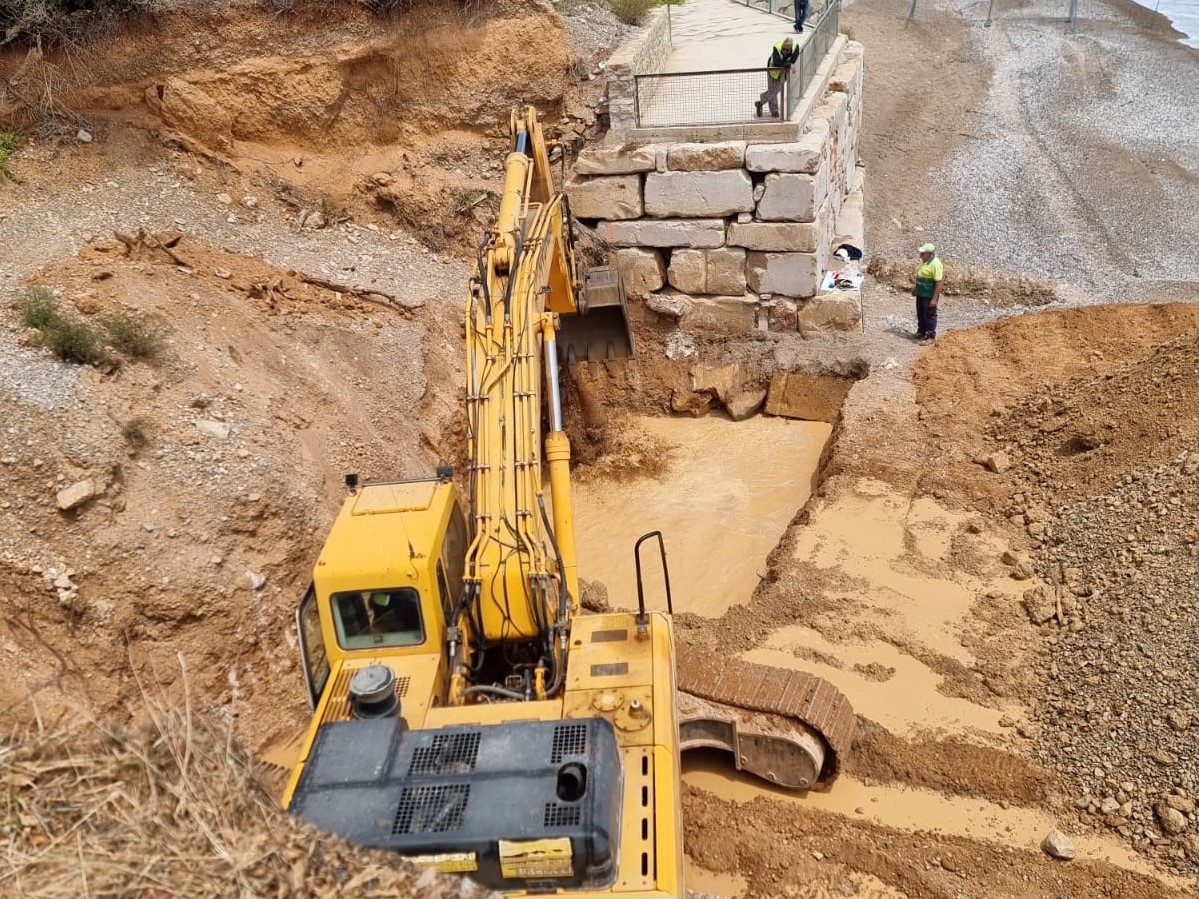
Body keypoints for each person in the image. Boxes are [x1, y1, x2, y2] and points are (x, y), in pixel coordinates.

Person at [755, 38, 800, 119]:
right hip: (773, 69)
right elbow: (777, 63)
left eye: (786, 50)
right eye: (783, 48)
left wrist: (788, 65)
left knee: (777, 89)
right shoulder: (776, 48)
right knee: (772, 89)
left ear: (790, 49)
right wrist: (789, 65)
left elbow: (793, 60)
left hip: (784, 71)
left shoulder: (796, 48)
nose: (784, 51)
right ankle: (774, 110)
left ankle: (760, 102)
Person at [913, 242, 944, 344]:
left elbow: (938, 282)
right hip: (921, 293)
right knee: (920, 312)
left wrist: (934, 299)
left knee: (930, 314)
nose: (921, 255)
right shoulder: (923, 261)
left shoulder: (935, 264)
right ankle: (921, 331)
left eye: (923, 253)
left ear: (930, 253)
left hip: (929, 294)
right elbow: (920, 275)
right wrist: (916, 289)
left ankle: (930, 335)